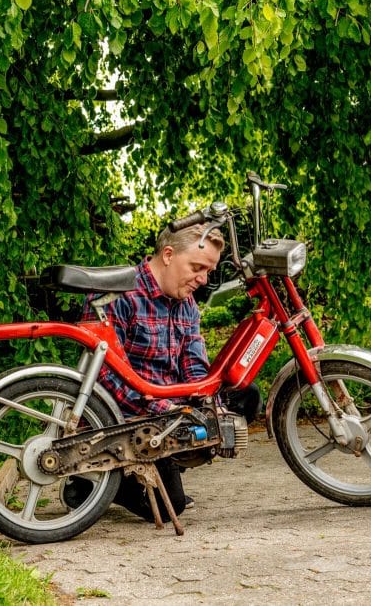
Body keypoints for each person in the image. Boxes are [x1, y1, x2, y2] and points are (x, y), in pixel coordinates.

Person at [63, 223, 262, 522]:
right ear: (168, 254)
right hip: (123, 415)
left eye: (208, 271)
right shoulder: (118, 295)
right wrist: (165, 408)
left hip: (163, 411)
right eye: (197, 267)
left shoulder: (187, 304)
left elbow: (194, 365)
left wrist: (210, 407)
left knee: (246, 395)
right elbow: (107, 378)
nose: (202, 279)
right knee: (174, 508)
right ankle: (86, 482)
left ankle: (168, 463)